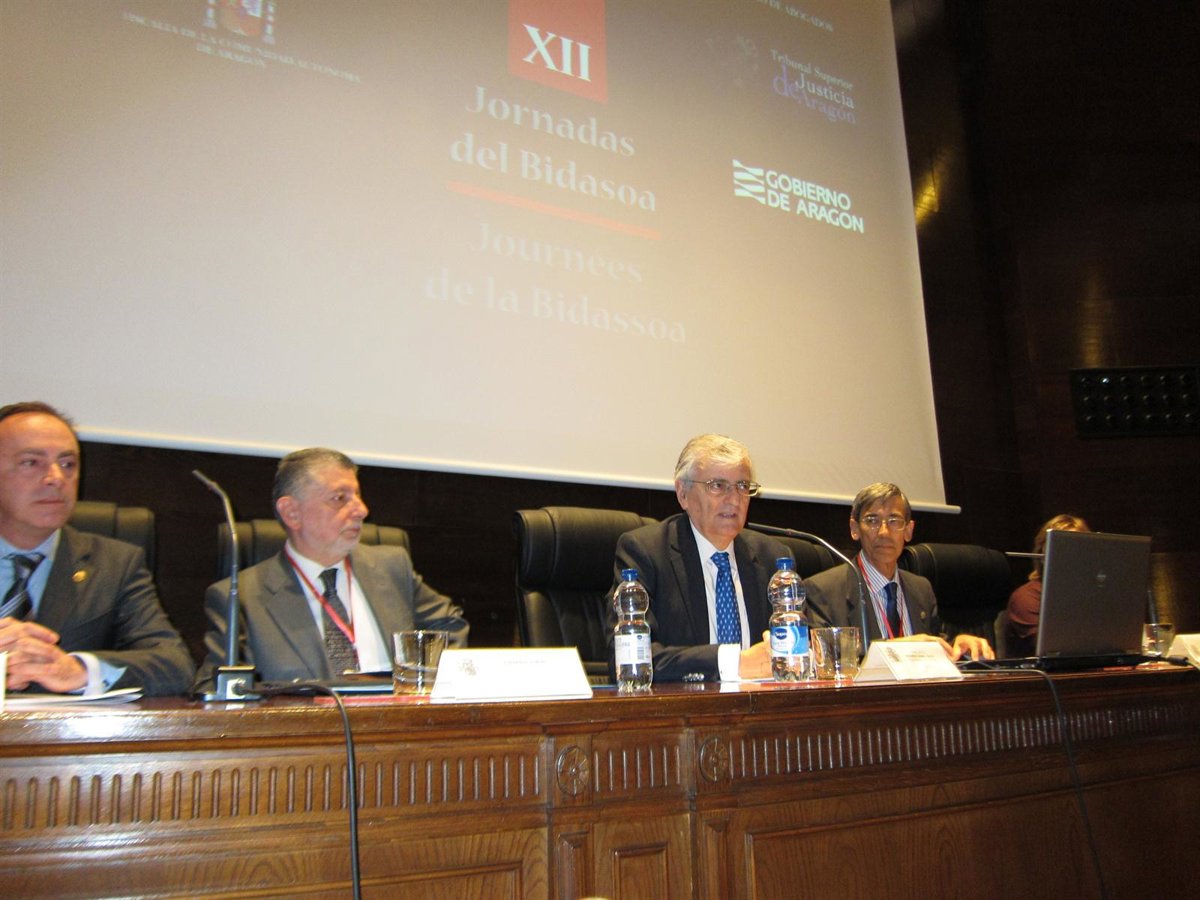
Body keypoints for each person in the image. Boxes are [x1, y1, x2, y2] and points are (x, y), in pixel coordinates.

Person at [199, 447, 468, 684]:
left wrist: (427, 684)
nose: (362, 510)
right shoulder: (242, 598)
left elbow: (449, 626)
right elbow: (211, 686)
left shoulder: (391, 567)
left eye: (357, 495)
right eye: (340, 498)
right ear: (292, 512)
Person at [0, 401, 195, 696]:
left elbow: (175, 666)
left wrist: (79, 670)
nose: (56, 478)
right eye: (31, 462)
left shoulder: (114, 565)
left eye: (68, 464)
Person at [606, 433, 791, 682]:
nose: (734, 499)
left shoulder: (773, 558)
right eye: (718, 486)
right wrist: (733, 663)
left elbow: (803, 648)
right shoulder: (645, 553)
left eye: (742, 486)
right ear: (683, 493)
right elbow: (628, 657)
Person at [804, 482, 994, 661]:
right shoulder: (823, 591)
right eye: (872, 520)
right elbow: (828, 662)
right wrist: (901, 648)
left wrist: (959, 646)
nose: (884, 532)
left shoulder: (921, 589)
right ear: (855, 529)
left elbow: (933, 645)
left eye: (894, 521)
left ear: (908, 530)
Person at [1005, 514, 1091, 657]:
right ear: (1042, 556)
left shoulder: (1091, 594)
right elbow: (1054, 649)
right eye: (1062, 548)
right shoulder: (1026, 597)